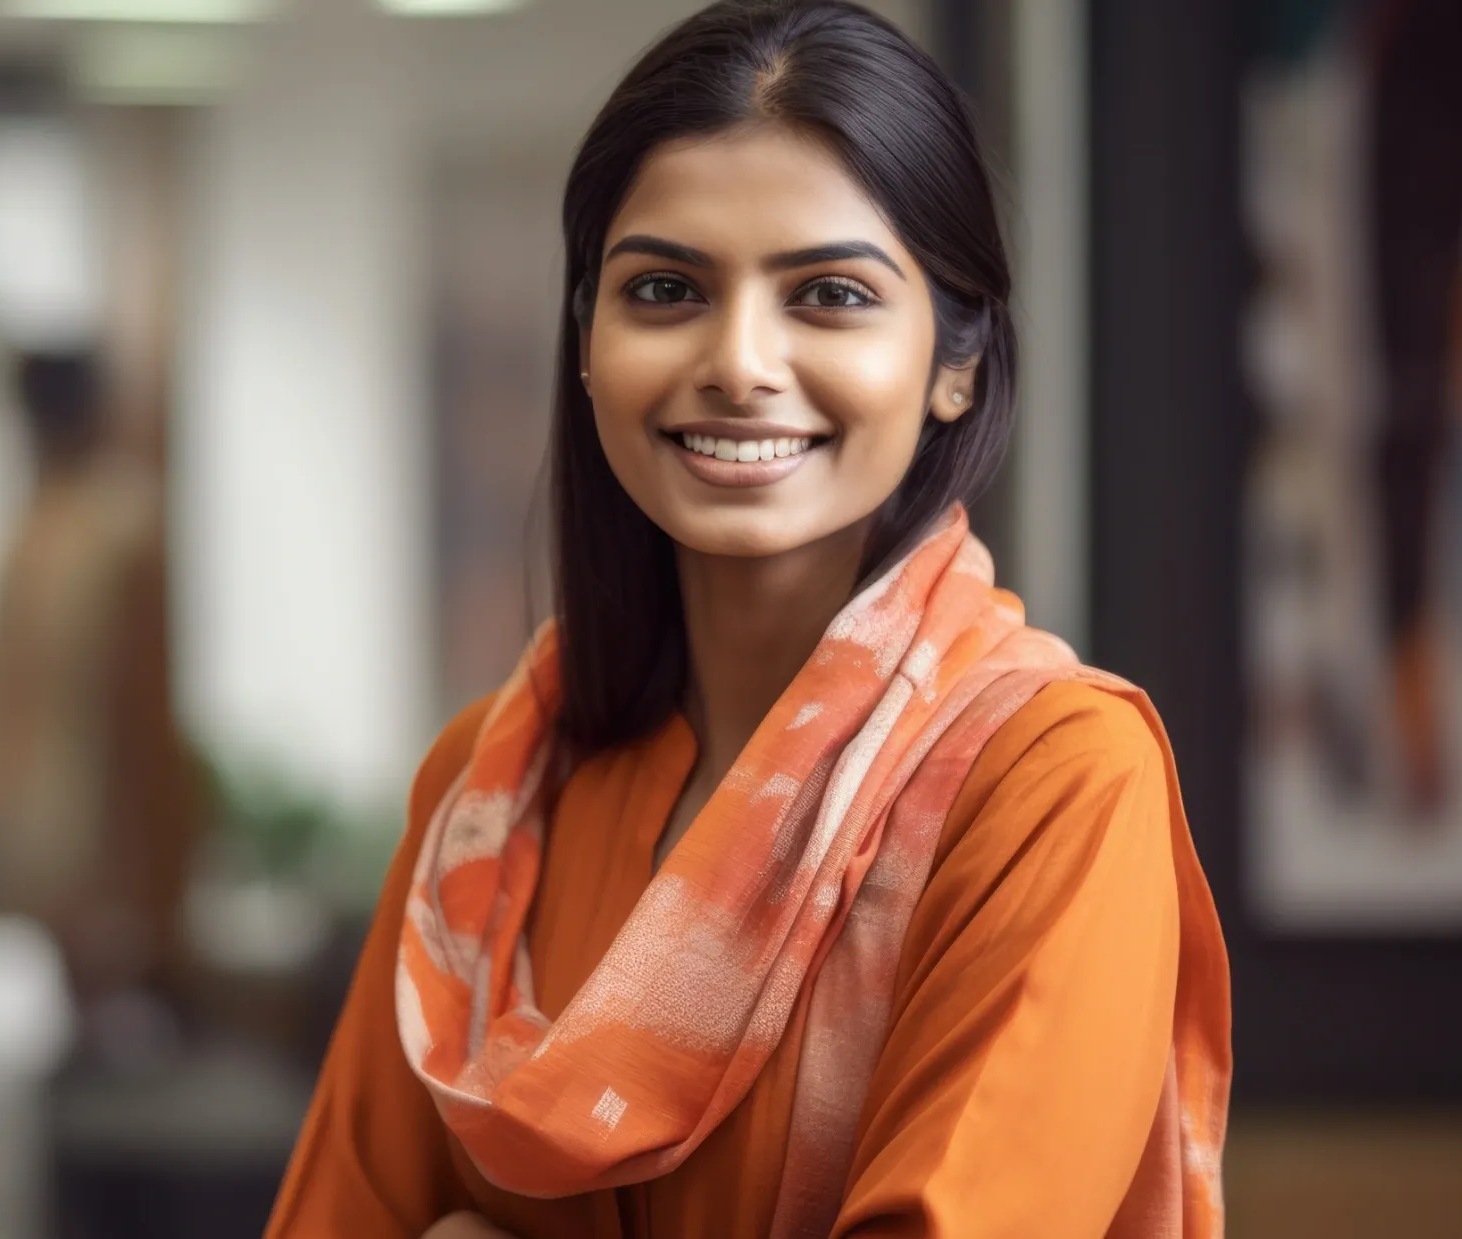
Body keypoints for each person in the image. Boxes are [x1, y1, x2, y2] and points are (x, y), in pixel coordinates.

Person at [265, 3, 1229, 1235]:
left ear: (956, 364)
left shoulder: (1051, 787)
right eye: (665, 289)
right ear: (586, 345)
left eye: (828, 295)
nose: (738, 360)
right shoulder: (490, 799)